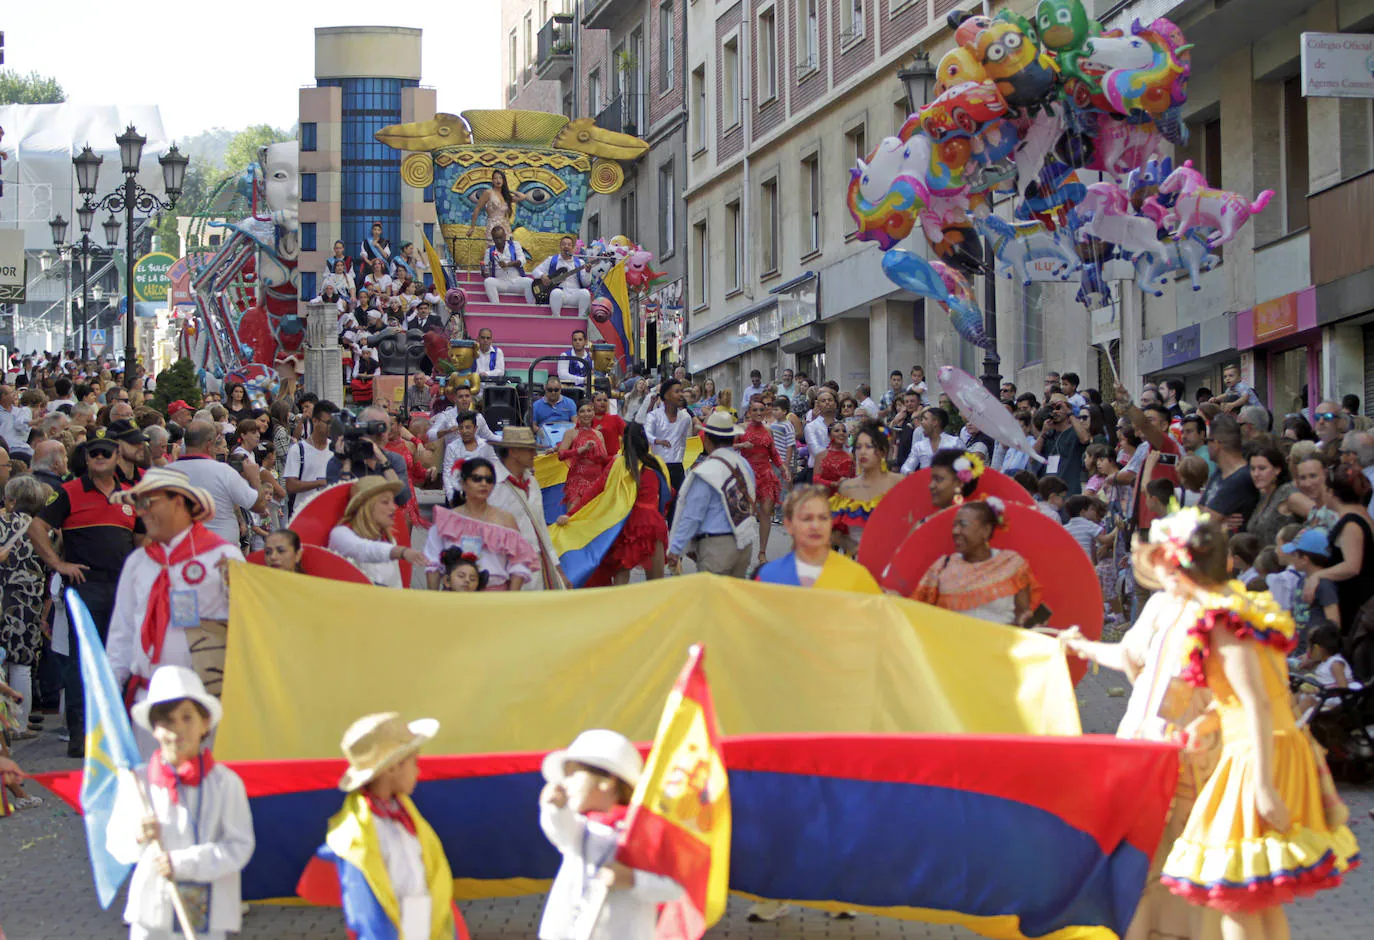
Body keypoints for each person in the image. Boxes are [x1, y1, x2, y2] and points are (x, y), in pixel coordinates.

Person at [1152, 510, 1359, 935]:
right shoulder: (1240, 610)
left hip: (1259, 754)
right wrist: (1202, 727)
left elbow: (1258, 703)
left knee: (1234, 893)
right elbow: (1245, 695)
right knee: (1254, 897)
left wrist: (1263, 787)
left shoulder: (1225, 619)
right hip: (1265, 746)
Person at [1058, 532, 1222, 940]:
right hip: (1144, 742)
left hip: (1197, 753)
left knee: (1190, 854)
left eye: (1176, 562)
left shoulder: (1224, 614)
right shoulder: (1160, 605)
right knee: (1139, 849)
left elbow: (1246, 693)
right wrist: (1084, 647)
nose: (1167, 571)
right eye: (1161, 562)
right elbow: (1129, 655)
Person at [106, 666, 255, 940]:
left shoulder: (225, 784)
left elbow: (239, 846)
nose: (177, 730)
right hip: (152, 914)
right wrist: (138, 837)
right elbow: (116, 844)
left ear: (205, 723)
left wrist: (183, 863)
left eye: (187, 718)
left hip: (206, 912)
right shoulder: (137, 783)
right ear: (154, 729)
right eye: (167, 721)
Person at [29, 430, 142, 757]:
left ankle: (114, 733)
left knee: (119, 660)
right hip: (84, 586)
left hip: (122, 588)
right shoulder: (67, 492)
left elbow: (143, 540)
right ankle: (80, 734)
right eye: (95, 454)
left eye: (107, 453)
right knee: (83, 661)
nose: (101, 458)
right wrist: (58, 563)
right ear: (88, 460)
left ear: (117, 457)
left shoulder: (130, 495)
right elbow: (37, 527)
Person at [107, 469, 241, 714]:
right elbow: (121, 632)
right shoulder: (138, 562)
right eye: (138, 504)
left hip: (206, 701)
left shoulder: (222, 556)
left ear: (178, 501)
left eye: (148, 502)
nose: (142, 512)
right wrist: (108, 693)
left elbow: (245, 628)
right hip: (146, 701)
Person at [321, 712, 463, 940]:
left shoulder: (405, 814)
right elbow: (367, 915)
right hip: (390, 927)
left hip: (418, 916)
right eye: (414, 762)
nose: (418, 771)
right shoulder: (357, 839)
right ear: (392, 768)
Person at [537, 729, 683, 940]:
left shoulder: (645, 834)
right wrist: (556, 808)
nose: (564, 784)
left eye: (573, 775)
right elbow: (560, 829)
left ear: (608, 781)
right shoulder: (582, 829)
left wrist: (633, 880)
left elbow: (673, 889)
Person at [564, 422, 671, 585]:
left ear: (624, 441)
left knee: (621, 575)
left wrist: (570, 515)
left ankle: (619, 608)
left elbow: (594, 491)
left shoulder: (619, 464)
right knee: (656, 583)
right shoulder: (657, 463)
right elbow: (666, 494)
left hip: (628, 524)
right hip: (654, 523)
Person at [913, 499, 1041, 625]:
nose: (955, 531)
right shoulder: (942, 566)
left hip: (998, 644)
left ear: (985, 530)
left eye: (963, 525)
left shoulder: (1011, 564)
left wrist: (1028, 620)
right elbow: (918, 610)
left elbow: (1022, 617)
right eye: (954, 525)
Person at [666, 412, 758, 577]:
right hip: (744, 542)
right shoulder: (743, 464)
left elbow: (693, 514)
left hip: (717, 546)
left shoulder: (707, 470)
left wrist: (676, 548)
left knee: (713, 601)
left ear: (707, 439)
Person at [426, 459, 536, 591]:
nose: (484, 484)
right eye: (477, 479)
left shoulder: (506, 520)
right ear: (463, 483)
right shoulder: (446, 520)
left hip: (494, 599)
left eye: (489, 479)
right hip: (454, 598)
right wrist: (433, 601)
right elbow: (433, 564)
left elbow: (518, 563)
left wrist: (511, 600)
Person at [0, 475, 52, 737]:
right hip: (29, 603)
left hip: (2, 600)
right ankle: (19, 723)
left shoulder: (1, 522)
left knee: (2, 662)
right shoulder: (44, 529)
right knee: (22, 663)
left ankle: (6, 723)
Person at [756, 485, 882, 591]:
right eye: (807, 518)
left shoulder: (857, 577)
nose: (816, 526)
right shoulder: (769, 576)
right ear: (789, 525)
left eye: (823, 518)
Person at [1299, 465, 1374, 637]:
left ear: (1331, 492)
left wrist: (1318, 575)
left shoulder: (1351, 523)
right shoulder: (1358, 515)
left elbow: (1352, 566)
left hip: (1356, 603)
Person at [489, 427, 567, 590]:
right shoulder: (491, 486)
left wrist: (558, 570)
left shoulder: (532, 482)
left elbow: (541, 529)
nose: (534, 455)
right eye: (530, 450)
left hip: (536, 570)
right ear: (513, 452)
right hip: (504, 573)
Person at [328, 477, 427, 589]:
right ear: (366, 506)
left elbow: (396, 586)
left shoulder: (389, 540)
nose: (393, 508)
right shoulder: (340, 534)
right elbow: (364, 550)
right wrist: (401, 552)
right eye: (385, 502)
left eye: (392, 502)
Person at [831, 423, 902, 554]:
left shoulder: (899, 483)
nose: (862, 452)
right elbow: (834, 532)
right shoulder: (847, 487)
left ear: (883, 451)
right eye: (858, 447)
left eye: (869, 446)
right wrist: (854, 547)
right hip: (858, 565)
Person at [325, 408, 413, 507]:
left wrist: (383, 461)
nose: (381, 434)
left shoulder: (394, 459)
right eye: (376, 427)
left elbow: (402, 498)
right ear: (359, 429)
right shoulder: (337, 462)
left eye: (385, 428)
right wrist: (346, 465)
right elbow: (338, 503)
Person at [736, 397, 787, 564]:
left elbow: (774, 454)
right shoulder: (741, 429)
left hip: (766, 475)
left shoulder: (768, 430)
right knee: (747, 515)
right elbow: (728, 447)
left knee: (766, 513)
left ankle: (762, 552)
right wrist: (742, 446)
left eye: (761, 410)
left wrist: (783, 468)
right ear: (749, 412)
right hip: (747, 475)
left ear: (766, 411)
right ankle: (744, 551)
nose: (758, 413)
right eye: (754, 410)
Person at [1200, 414, 1259, 532]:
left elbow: (1203, 523)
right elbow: (1199, 510)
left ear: (1216, 444)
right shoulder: (1219, 471)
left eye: (1208, 441)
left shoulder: (1241, 478)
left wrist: (1213, 522)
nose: (1207, 446)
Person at [282, 399, 338, 518]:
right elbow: (291, 486)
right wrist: (321, 482)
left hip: (330, 514)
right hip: (304, 515)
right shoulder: (298, 449)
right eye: (327, 422)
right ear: (315, 421)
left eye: (333, 423)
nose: (331, 427)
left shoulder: (336, 448)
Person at [1034, 393, 1093, 493]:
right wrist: (1043, 433)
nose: (1055, 411)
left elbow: (1085, 439)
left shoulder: (1074, 432)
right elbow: (1033, 457)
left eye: (1058, 407)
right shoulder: (1048, 433)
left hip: (1068, 491)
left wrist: (1069, 413)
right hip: (1048, 491)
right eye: (1052, 408)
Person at [645, 378, 694, 498]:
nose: (681, 395)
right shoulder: (654, 416)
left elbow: (684, 440)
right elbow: (646, 433)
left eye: (682, 391)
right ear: (666, 395)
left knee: (678, 505)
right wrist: (658, 441)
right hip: (658, 468)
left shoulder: (685, 417)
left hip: (677, 467)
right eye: (677, 391)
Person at [1242, 442, 1297, 547]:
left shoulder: (1286, 492)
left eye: (1262, 468)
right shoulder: (1262, 496)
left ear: (1277, 470)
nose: (1256, 474)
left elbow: (1315, 513)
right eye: (1252, 469)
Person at [557, 401, 609, 511]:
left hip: (596, 482)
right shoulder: (571, 433)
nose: (586, 414)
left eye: (589, 411)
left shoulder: (599, 434)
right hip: (577, 481)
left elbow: (605, 458)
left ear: (593, 413)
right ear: (578, 415)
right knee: (573, 515)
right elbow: (561, 454)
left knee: (592, 519)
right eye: (582, 411)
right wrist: (579, 450)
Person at [441, 411, 498, 506]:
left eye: (468, 427)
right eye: (461, 428)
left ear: (475, 429)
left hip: (483, 495)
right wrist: (451, 497)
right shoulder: (452, 447)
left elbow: (495, 469)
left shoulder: (486, 446)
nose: (464, 431)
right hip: (458, 495)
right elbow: (447, 473)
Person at [533, 236, 593, 318]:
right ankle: (556, 318)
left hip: (575, 293)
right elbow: (535, 271)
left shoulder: (580, 262)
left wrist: (588, 272)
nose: (566, 246)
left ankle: (581, 320)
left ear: (573, 248)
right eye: (564, 244)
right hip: (560, 294)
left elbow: (586, 283)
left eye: (569, 245)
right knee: (556, 292)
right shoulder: (552, 260)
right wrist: (543, 276)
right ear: (560, 247)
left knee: (585, 293)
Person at [468, 168, 529, 243]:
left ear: (503, 180)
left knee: (507, 248)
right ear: (492, 181)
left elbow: (522, 197)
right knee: (494, 247)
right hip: (493, 225)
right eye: (495, 178)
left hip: (505, 225)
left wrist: (509, 190)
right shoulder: (488, 193)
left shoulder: (505, 196)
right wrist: (472, 227)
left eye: (500, 178)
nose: (498, 180)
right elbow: (477, 208)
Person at [482, 226, 535, 304]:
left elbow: (522, 260)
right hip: (500, 282)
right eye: (496, 238)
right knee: (488, 281)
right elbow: (486, 269)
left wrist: (508, 264)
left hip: (516, 281)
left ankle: (531, 308)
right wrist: (485, 273)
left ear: (505, 236)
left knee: (529, 282)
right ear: (493, 239)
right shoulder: (489, 251)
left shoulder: (515, 245)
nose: (499, 241)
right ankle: (496, 306)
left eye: (500, 238)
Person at [899, 406, 959, 473]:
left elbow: (965, 469)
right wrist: (911, 474)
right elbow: (906, 467)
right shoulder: (919, 446)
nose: (921, 422)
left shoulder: (955, 443)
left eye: (925, 419)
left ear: (935, 422)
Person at [591, 390, 626, 458]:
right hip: (593, 460)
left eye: (605, 400)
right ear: (592, 403)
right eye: (599, 400)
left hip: (614, 459)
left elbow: (628, 437)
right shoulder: (587, 419)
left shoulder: (616, 418)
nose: (602, 402)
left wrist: (623, 453)